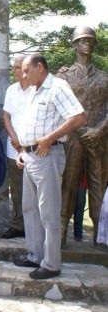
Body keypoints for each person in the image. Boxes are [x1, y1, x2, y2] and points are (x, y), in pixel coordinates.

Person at [13, 54, 86, 280]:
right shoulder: (35, 91)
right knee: (30, 209)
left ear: (40, 67)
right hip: (31, 156)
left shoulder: (57, 87)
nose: (23, 76)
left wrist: (47, 139)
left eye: (27, 71)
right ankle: (35, 256)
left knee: (48, 212)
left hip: (48, 154)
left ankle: (52, 264)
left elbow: (79, 117)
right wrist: (23, 152)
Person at [56, 26, 108, 247]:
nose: (87, 44)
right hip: (74, 137)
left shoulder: (104, 77)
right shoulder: (63, 77)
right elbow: (59, 107)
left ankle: (100, 234)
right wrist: (79, 129)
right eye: (82, 40)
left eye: (90, 41)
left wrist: (98, 131)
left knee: (98, 186)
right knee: (68, 183)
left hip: (100, 138)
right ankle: (61, 231)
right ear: (74, 45)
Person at [0, 56, 31, 239]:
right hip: (14, 149)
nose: (15, 70)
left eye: (18, 67)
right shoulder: (12, 90)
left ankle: (34, 227)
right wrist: (14, 138)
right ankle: (17, 225)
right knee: (17, 190)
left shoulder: (37, 89)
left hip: (35, 149)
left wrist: (25, 142)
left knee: (34, 192)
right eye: (14, 67)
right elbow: (6, 116)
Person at [73, 173, 88, 242]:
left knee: (79, 209)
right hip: (70, 181)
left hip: (82, 183)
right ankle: (62, 234)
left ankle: (78, 235)